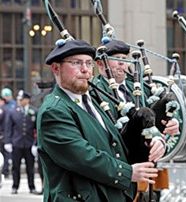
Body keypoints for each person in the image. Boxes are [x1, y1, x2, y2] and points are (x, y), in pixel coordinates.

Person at [37, 39, 165, 201]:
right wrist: (127, 173)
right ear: (56, 68)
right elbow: (83, 157)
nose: (85, 70)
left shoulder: (95, 100)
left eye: (88, 63)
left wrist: (155, 140)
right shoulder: (54, 110)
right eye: (76, 63)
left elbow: (118, 140)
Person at [92, 39, 179, 201]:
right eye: (117, 59)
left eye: (125, 59)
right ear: (101, 64)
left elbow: (155, 122)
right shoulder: (94, 92)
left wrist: (166, 131)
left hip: (148, 168)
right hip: (121, 170)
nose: (122, 64)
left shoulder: (141, 88)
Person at [4, 90, 39, 194]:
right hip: (17, 143)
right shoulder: (13, 111)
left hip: (29, 144)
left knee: (30, 167)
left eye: (21, 99)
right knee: (16, 167)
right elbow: (8, 128)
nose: (19, 101)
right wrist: (8, 142)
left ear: (27, 100)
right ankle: (15, 186)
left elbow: (37, 129)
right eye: (19, 99)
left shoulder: (34, 111)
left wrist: (36, 143)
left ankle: (31, 187)